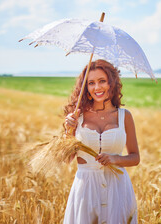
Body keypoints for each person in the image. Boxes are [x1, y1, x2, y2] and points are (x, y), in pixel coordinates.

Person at [63, 59, 140, 224]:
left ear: (111, 83)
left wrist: (115, 159)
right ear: (85, 87)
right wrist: (68, 131)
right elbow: (67, 159)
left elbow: (135, 157)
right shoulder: (77, 117)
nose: (97, 87)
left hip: (117, 188)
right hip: (85, 189)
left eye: (102, 81)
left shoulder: (124, 116)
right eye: (91, 83)